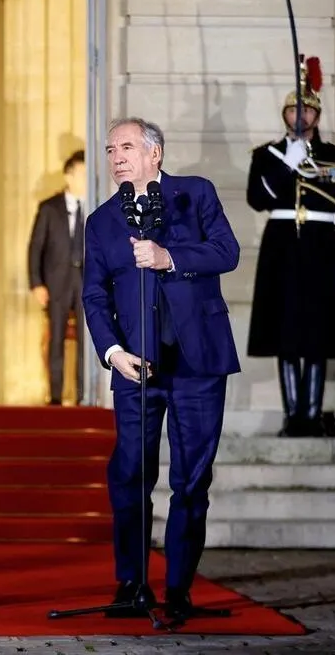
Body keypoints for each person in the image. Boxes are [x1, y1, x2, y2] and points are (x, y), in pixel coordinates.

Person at [82, 117, 240, 620]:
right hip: (136, 366)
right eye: (110, 149)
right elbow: (92, 295)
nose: (116, 157)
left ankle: (178, 588)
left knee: (191, 480)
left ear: (155, 153)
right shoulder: (103, 221)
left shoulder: (195, 195)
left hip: (197, 364)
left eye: (125, 147)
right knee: (130, 473)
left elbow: (226, 252)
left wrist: (168, 255)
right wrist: (111, 351)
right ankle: (131, 582)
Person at [245, 55, 335, 438]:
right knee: (286, 336)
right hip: (281, 249)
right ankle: (292, 415)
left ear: (316, 114)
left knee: (315, 335)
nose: (299, 116)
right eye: (293, 109)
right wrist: (287, 164)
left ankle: (311, 415)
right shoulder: (267, 157)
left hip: (320, 251)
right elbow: (257, 199)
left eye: (306, 109)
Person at [27, 149, 86, 405]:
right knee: (56, 340)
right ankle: (55, 397)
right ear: (68, 176)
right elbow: (35, 248)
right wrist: (37, 283)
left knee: (88, 342)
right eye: (82, 174)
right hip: (57, 283)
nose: (86, 179)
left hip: (87, 283)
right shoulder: (49, 208)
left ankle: (85, 396)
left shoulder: (96, 206)